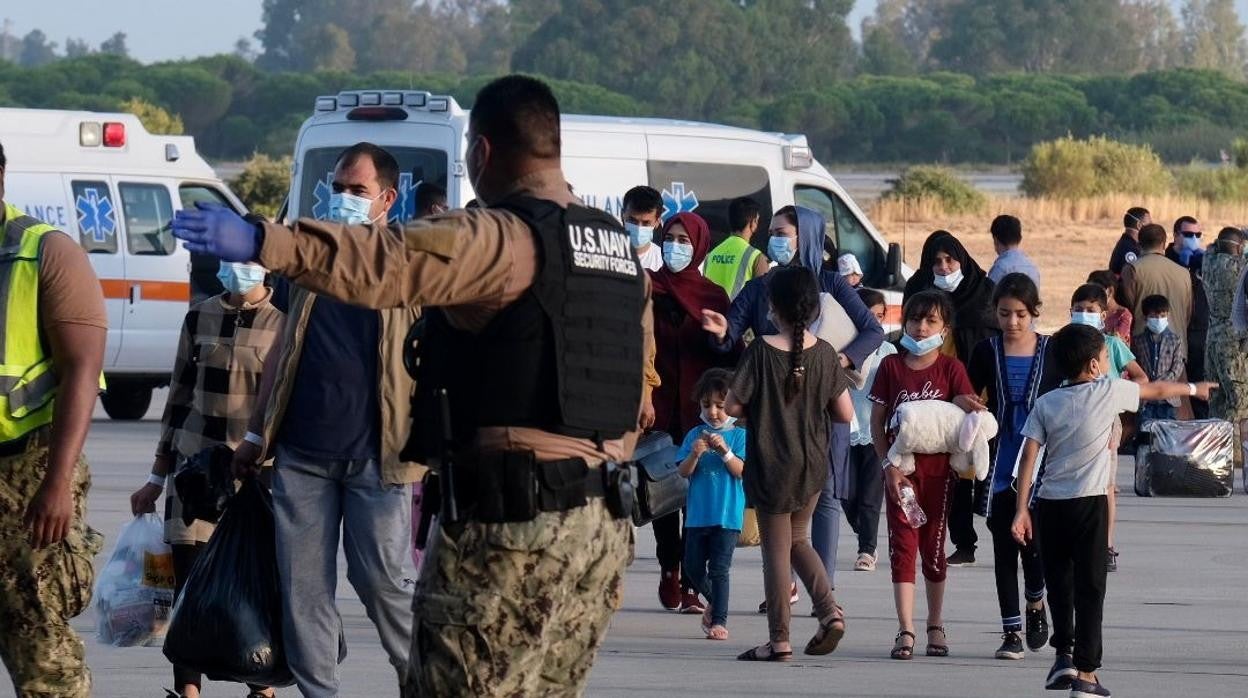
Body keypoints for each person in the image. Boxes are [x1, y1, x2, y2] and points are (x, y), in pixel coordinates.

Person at [172, 74, 652, 697]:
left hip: (514, 521)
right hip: (602, 527)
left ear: (479, 154)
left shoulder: (501, 236)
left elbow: (386, 260)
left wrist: (266, 239)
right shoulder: (614, 251)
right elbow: (638, 392)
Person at [228, 142, 423, 696]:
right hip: (302, 455)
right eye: (337, 189)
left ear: (387, 198)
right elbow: (282, 350)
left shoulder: (407, 266)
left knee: (382, 583)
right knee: (304, 592)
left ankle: (423, 680)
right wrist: (254, 434)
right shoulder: (309, 262)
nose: (342, 200)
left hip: (377, 460)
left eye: (356, 191)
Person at [1012, 323, 1215, 698]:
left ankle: (1064, 656)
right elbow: (1153, 388)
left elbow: (1029, 455)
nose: (1108, 364)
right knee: (1090, 588)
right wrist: (1193, 388)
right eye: (1106, 358)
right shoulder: (1107, 391)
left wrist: (1021, 509)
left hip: (1050, 506)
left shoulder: (1046, 402)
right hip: (1089, 504)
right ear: (1093, 366)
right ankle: (1086, 676)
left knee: (1060, 584)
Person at [701, 204, 884, 609]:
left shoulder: (833, 284)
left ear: (809, 237)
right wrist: (720, 332)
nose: (775, 240)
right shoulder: (760, 287)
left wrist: (839, 361)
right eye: (773, 232)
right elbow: (732, 332)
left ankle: (824, 589)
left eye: (784, 232)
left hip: (822, 404)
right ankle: (786, 589)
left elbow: (873, 330)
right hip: (776, 414)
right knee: (779, 503)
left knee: (827, 495)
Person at [130, 260, 282, 698]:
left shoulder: (284, 325)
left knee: (249, 586)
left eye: (248, 263)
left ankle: (261, 687)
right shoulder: (199, 315)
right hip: (194, 469)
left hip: (253, 473)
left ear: (267, 270)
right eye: (230, 262)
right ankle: (188, 692)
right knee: (188, 586)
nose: (236, 271)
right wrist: (156, 477)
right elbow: (178, 397)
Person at [0, 140, 107, 698]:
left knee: (39, 639)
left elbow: (83, 369)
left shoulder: (45, 251)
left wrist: (57, 483)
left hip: (28, 468)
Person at [725, 266, 852, 661]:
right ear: (814, 308)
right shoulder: (826, 354)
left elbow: (731, 405)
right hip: (812, 466)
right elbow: (845, 413)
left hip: (770, 466)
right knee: (799, 540)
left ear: (771, 307)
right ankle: (830, 612)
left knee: (776, 554)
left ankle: (779, 639)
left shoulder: (760, 351)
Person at [870, 290, 983, 661]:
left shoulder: (952, 369)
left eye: (931, 321)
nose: (921, 328)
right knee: (902, 546)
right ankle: (906, 628)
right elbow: (876, 421)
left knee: (934, 549)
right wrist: (887, 465)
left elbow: (967, 419)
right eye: (915, 320)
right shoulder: (891, 367)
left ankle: (935, 623)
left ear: (944, 328)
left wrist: (968, 406)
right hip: (901, 473)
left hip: (938, 474)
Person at [966, 273, 1059, 662]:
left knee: (1035, 547)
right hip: (999, 462)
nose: (1013, 322)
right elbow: (967, 391)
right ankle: (1011, 632)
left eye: (1020, 314)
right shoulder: (986, 351)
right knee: (1003, 549)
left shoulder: (1053, 350)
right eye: (1005, 314)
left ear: (1034, 312)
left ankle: (1036, 601)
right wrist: (968, 402)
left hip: (1042, 465)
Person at [649, 211, 736, 613]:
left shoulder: (713, 295)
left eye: (685, 240)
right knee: (662, 493)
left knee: (694, 500)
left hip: (700, 411)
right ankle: (669, 567)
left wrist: (719, 336)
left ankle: (689, 579)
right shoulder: (648, 288)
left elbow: (727, 353)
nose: (677, 246)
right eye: (671, 237)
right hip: (658, 407)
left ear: (700, 245)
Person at [903, 230, 996, 567]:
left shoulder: (984, 293)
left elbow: (992, 346)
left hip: (971, 391)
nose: (942, 267)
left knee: (963, 472)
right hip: (929, 391)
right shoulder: (917, 290)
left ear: (962, 260)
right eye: (935, 261)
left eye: (949, 259)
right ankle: (927, 538)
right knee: (932, 470)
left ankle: (965, 542)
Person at [1070, 282, 1148, 573]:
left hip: (1105, 425)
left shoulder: (1113, 345)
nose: (1084, 314)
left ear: (1103, 315)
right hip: (1071, 421)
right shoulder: (1063, 345)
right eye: (1078, 310)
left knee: (1106, 488)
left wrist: (1119, 393)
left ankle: (1106, 545)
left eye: (1090, 310)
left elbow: (1142, 378)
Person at [677, 368, 747, 641]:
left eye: (719, 405)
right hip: (697, 515)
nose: (713, 412)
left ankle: (719, 619)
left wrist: (724, 451)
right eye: (706, 406)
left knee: (719, 568)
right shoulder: (694, 434)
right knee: (693, 567)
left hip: (727, 516)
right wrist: (694, 455)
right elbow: (683, 472)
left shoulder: (739, 436)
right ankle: (715, 602)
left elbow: (741, 471)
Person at [845, 288, 896, 572]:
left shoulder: (888, 352)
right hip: (845, 430)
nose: (874, 322)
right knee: (846, 494)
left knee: (869, 496)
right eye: (868, 316)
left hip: (876, 432)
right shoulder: (842, 347)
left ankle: (867, 549)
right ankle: (864, 532)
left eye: (879, 316)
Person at [1165, 216, 1210, 419]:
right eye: (1189, 234)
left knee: (1199, 386)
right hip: (1174, 332)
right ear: (1175, 236)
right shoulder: (1167, 261)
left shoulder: (1202, 261)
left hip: (1199, 334)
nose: (1194, 238)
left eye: (1198, 234)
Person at [1121, 223, 1193, 350]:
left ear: (1139, 243)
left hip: (1143, 349)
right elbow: (1188, 313)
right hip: (1178, 349)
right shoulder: (1184, 273)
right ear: (1163, 244)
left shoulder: (1132, 269)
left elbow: (1127, 309)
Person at [1204, 227, 1248, 427]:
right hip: (1234, 341)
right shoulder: (1239, 267)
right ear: (1239, 246)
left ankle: (1217, 445)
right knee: (1238, 399)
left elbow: (1211, 247)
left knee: (1216, 398)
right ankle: (1235, 448)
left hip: (1212, 338)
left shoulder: (1208, 262)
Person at [1132, 295, 1184, 425]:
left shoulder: (1175, 340)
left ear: (1167, 316)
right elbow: (1136, 366)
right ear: (1146, 318)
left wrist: (1159, 384)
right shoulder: (1138, 341)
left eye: (1162, 316)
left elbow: (1177, 368)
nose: (1158, 319)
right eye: (1154, 316)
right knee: (1145, 434)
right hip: (1145, 400)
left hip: (1168, 399)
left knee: (1168, 434)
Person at [704, 196, 769, 299]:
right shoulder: (756, 257)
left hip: (710, 314)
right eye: (756, 220)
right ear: (752, 223)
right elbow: (762, 301)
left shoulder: (711, 255)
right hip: (738, 314)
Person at [986, 214, 1040, 285]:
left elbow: (988, 294)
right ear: (1019, 238)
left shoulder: (1000, 268)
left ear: (996, 240)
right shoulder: (1032, 268)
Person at [623, 185, 665, 272]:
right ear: (623, 215)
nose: (638, 227)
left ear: (657, 222)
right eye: (632, 220)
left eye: (646, 223)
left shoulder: (663, 262)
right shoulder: (608, 255)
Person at [1086, 270, 1132, 344]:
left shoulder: (1123, 315)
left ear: (1110, 291)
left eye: (1095, 292)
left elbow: (1115, 341)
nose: (1090, 295)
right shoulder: (1091, 311)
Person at [1108, 207, 1149, 276]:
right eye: (1149, 224)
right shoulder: (1129, 249)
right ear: (1139, 225)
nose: (1151, 227)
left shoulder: (1129, 243)